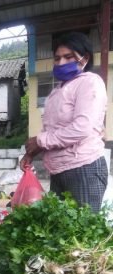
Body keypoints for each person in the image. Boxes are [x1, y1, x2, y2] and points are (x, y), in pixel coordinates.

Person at [20, 32, 108, 212]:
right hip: (59, 170)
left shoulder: (90, 82)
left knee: (82, 234)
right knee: (60, 233)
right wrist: (32, 153)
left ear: (84, 59)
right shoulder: (57, 91)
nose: (60, 63)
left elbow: (81, 128)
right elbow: (53, 131)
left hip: (84, 167)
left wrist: (39, 140)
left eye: (68, 57)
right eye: (57, 58)